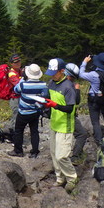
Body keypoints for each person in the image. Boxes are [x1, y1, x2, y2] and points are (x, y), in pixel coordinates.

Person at [44, 58, 78, 193]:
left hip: (65, 125)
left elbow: (70, 109)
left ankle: (72, 178)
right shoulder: (51, 83)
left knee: (61, 156)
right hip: (54, 122)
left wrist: (55, 105)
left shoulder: (68, 87)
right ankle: (60, 178)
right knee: (53, 153)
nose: (52, 75)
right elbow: (49, 98)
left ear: (62, 71)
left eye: (54, 72)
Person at [9, 63, 49, 158]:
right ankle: (34, 151)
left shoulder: (23, 84)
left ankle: (18, 151)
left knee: (19, 130)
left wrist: (22, 78)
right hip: (35, 112)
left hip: (23, 112)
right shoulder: (43, 84)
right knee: (34, 131)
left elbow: (16, 90)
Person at [80, 53, 104, 150]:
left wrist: (84, 62)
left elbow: (81, 74)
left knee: (95, 121)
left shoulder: (94, 75)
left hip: (94, 100)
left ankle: (99, 141)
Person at [65, 63, 89, 165]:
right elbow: (77, 101)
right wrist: (77, 90)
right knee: (82, 134)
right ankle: (75, 156)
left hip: (60, 115)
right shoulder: (70, 86)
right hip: (68, 115)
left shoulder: (56, 83)